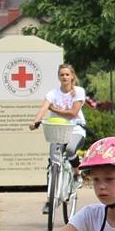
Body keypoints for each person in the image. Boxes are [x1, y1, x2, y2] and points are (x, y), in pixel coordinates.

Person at [31, 63, 87, 213]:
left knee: (70, 149)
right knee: (53, 162)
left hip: (76, 129)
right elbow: (44, 108)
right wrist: (35, 121)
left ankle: (76, 173)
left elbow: (73, 113)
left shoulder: (78, 91)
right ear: (58, 77)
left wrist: (54, 109)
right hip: (58, 130)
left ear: (72, 76)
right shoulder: (53, 93)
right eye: (62, 75)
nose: (64, 77)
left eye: (67, 74)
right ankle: (50, 200)